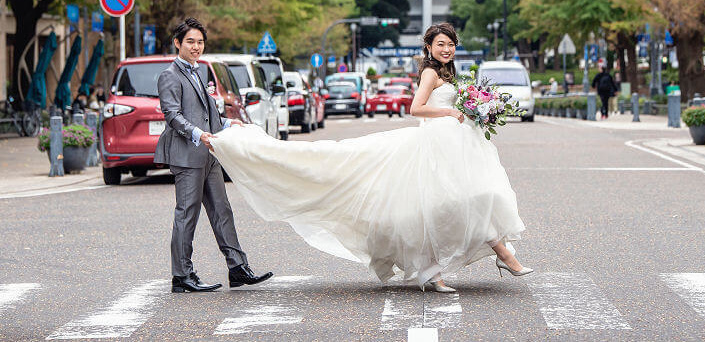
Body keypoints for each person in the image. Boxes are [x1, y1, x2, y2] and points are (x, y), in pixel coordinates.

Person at [211, 23, 531, 293]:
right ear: (429, 47)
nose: (446, 49)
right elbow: (416, 108)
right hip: (434, 145)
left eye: (450, 45)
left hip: (452, 145)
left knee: (447, 204)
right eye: (440, 44)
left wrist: (473, 109)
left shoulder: (449, 72)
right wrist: (450, 111)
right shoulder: (431, 73)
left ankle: (448, 267)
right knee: (445, 203)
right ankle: (494, 255)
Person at [154, 18, 272, 293]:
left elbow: (208, 114)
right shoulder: (169, 75)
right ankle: (182, 276)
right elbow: (173, 116)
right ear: (177, 43)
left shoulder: (200, 71)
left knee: (222, 211)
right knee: (187, 214)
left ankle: (238, 268)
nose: (196, 47)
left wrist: (229, 124)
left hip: (209, 154)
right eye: (190, 42)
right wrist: (199, 134)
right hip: (186, 156)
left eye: (200, 42)